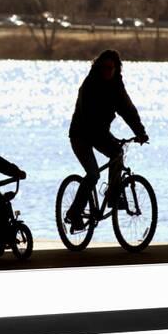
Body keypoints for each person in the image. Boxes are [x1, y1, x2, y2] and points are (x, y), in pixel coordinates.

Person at [66, 49, 149, 231]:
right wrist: (104, 135)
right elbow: (87, 114)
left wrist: (140, 132)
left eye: (111, 68)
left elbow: (127, 109)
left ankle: (112, 195)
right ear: (98, 67)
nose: (107, 71)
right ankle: (74, 212)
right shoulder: (89, 85)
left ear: (116, 69)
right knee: (93, 174)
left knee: (117, 153)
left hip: (99, 132)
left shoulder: (117, 85)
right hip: (80, 134)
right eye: (104, 67)